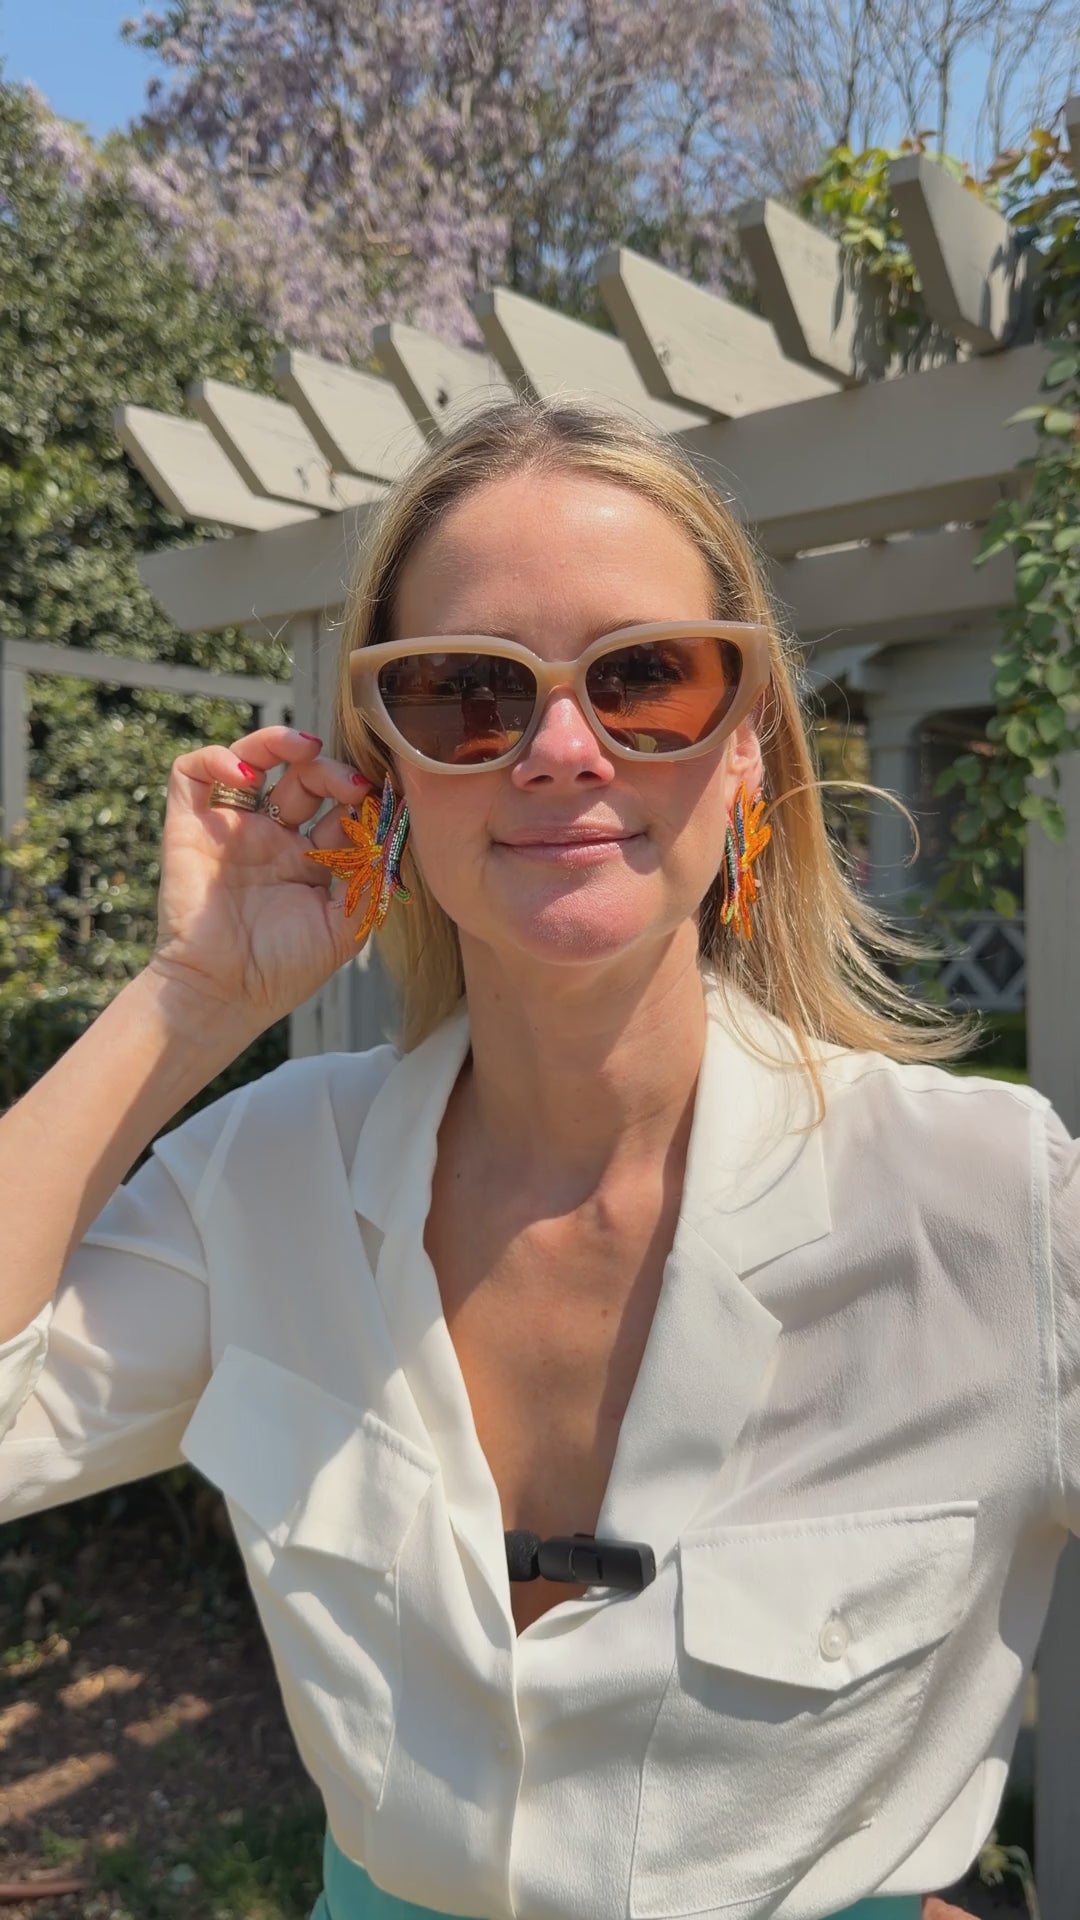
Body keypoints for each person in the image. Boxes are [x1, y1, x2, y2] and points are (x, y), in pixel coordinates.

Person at [0, 399, 1075, 1920]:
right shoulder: (266, 1177)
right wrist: (190, 1000)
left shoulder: (991, 1204)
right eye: (465, 693)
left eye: (646, 678)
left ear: (748, 747)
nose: (563, 751)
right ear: (384, 768)